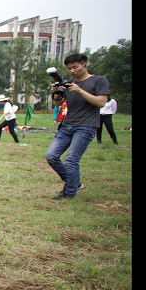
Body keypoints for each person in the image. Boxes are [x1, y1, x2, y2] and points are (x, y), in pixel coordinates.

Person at [45, 53, 109, 200]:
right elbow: (57, 104)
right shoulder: (68, 83)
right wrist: (56, 92)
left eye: (75, 67)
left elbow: (100, 102)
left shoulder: (98, 81)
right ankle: (74, 182)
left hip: (86, 126)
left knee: (72, 159)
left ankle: (69, 193)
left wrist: (79, 90)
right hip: (67, 125)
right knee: (51, 156)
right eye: (69, 69)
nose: (72, 71)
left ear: (84, 65)